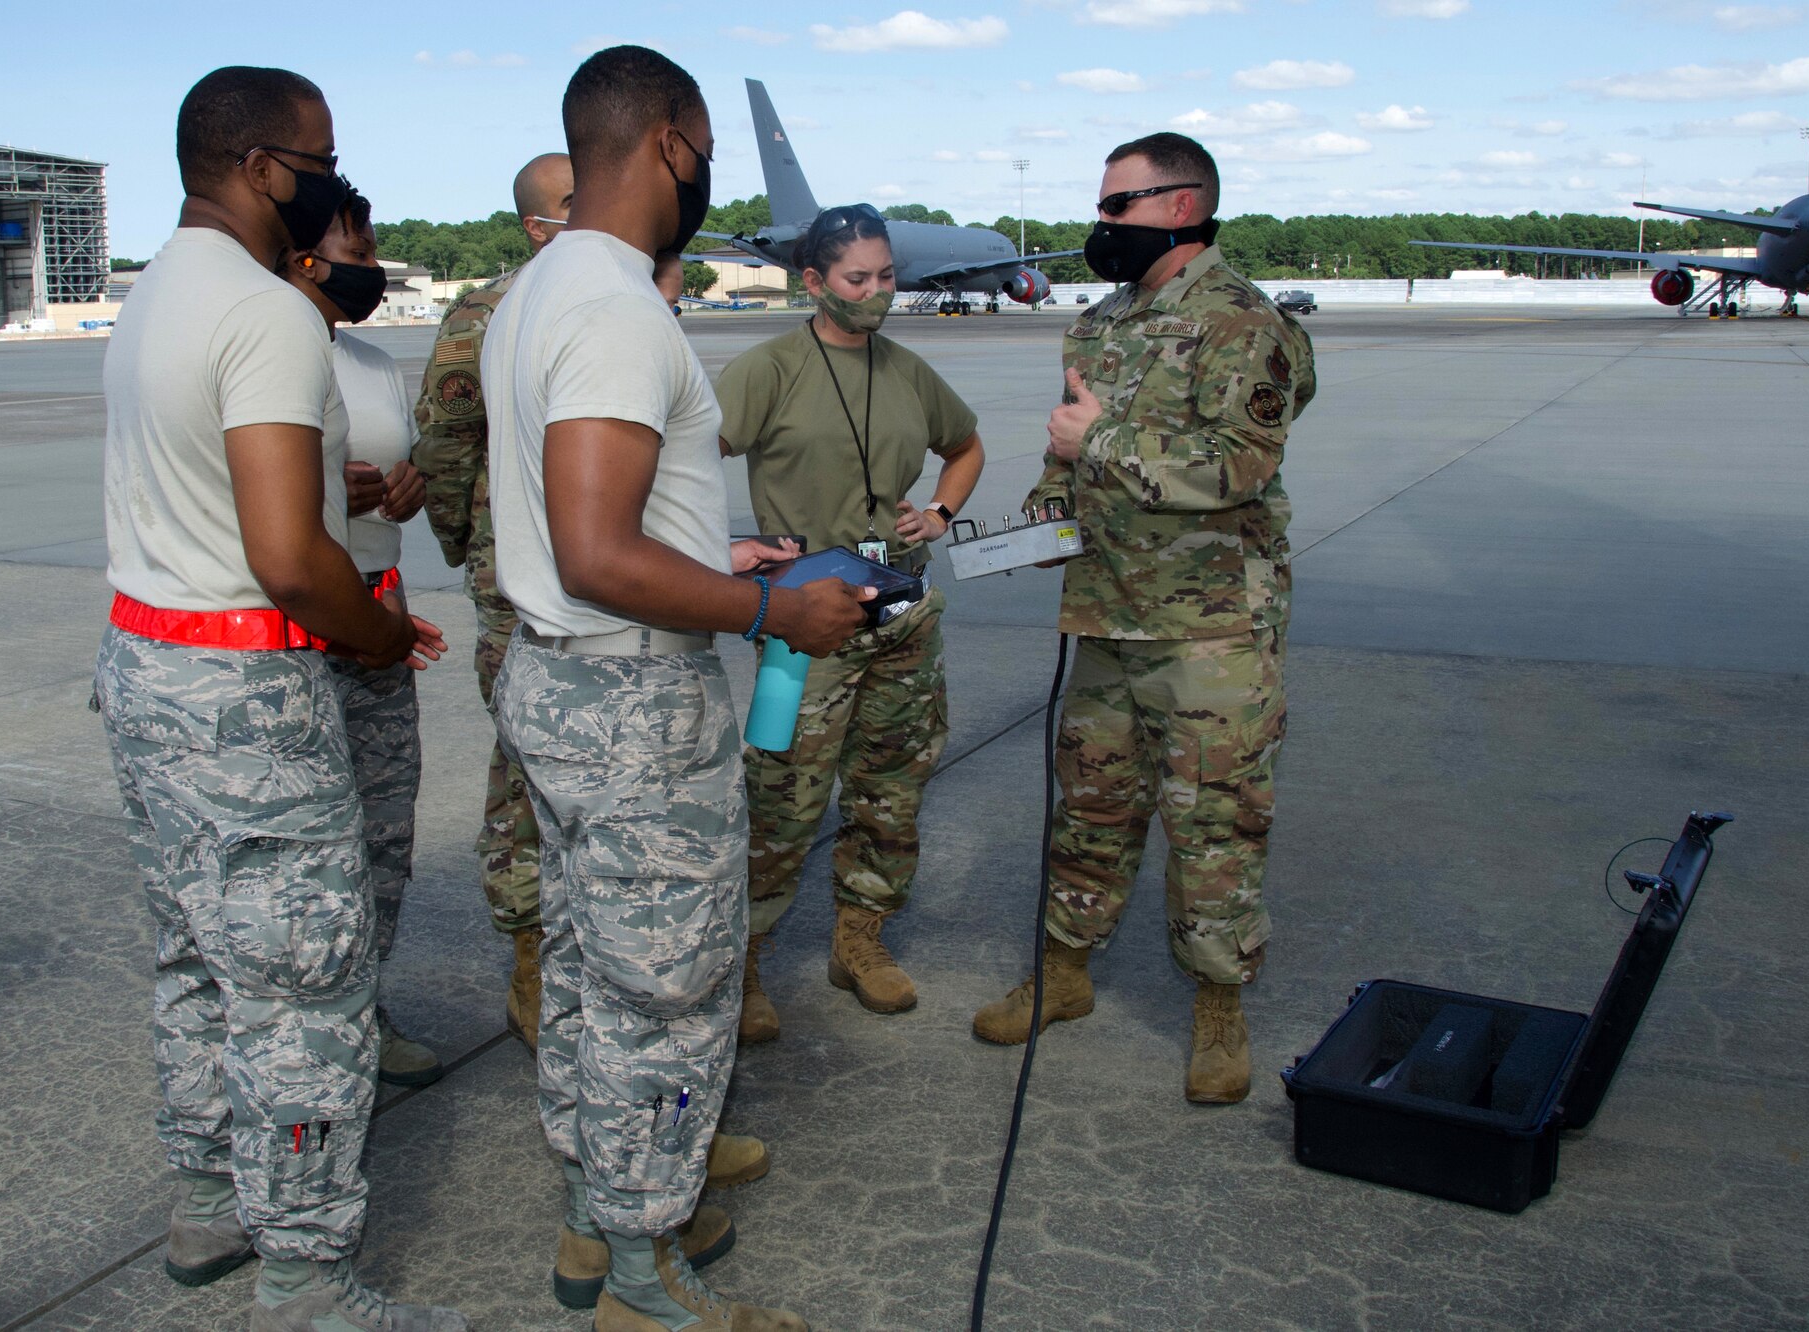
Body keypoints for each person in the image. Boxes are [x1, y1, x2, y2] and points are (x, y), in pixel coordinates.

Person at [486, 45, 868, 1332]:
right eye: (702, 147)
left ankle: (603, 1219)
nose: (703, 170)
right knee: (668, 993)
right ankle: (646, 1283)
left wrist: (714, 556)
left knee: (598, 972)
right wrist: (770, 604)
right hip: (631, 702)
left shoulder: (542, 287)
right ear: (669, 141)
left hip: (566, 685)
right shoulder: (611, 306)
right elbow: (597, 552)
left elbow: (592, 524)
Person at [93, 66, 463, 1329]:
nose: (325, 177)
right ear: (259, 168)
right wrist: (374, 633)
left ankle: (207, 1204)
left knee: (199, 956)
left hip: (148, 662)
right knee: (302, 986)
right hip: (245, 690)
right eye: (317, 157)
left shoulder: (152, 294)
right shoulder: (267, 316)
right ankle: (307, 1280)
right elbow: (289, 552)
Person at [971, 131, 1315, 1107]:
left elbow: (1237, 471)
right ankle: (1064, 973)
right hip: (1106, 617)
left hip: (1207, 632)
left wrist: (1103, 439)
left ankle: (1217, 1010)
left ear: (1178, 205)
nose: (1099, 225)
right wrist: (1027, 533)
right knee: (1088, 808)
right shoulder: (1098, 326)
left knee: (1212, 823)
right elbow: (1064, 455)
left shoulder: (1242, 325)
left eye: (1116, 206)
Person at [716, 204, 984, 1041]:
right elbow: (679, 461)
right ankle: (745, 962)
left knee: (892, 790)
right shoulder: (769, 369)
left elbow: (966, 444)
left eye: (887, 277)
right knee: (781, 798)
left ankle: (859, 940)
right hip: (802, 619)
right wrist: (731, 546)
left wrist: (939, 511)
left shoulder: (906, 370)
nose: (876, 294)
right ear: (813, 283)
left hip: (900, 610)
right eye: (857, 279)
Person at [279, 184, 442, 1088]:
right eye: (357, 242)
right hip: (303, 624)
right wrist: (314, 494)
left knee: (384, 839)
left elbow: (398, 468)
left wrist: (407, 490)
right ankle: (312, 1039)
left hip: (380, 611)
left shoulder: (372, 361)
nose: (371, 261)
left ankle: (363, 1008)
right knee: (310, 852)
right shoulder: (270, 351)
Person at [412, 152, 572, 1051]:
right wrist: (473, 547)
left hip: (610, 575)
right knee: (525, 765)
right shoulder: (486, 309)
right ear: (531, 223)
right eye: (566, 206)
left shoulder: (624, 294)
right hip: (518, 575)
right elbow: (443, 442)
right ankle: (529, 958)